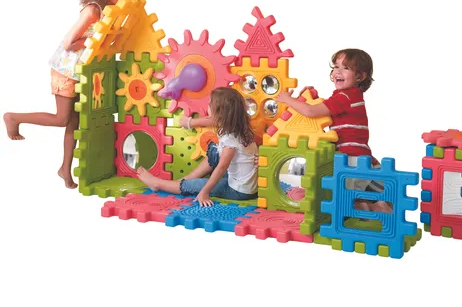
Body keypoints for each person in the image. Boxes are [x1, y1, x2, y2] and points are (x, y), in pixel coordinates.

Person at [3, 0, 141, 189]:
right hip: (66, 70)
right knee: (62, 119)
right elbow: (68, 43)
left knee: (74, 123)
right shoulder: (93, 11)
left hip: (84, 71)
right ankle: (14, 118)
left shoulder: (109, 13)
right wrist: (96, 40)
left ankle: (65, 169)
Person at [276, 48, 391, 214]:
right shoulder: (348, 96)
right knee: (345, 197)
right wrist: (302, 99)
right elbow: (318, 110)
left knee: (336, 200)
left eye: (346, 68)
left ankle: (375, 208)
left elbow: (311, 111)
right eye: (336, 66)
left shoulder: (345, 97)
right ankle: (372, 205)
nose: (338, 71)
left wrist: (288, 100)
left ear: (360, 76)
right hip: (356, 157)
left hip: (351, 159)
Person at [138, 87, 258, 207]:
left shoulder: (230, 139)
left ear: (220, 113)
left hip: (238, 191)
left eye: (210, 105)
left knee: (194, 185)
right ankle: (183, 180)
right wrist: (190, 122)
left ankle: (158, 184)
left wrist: (205, 192)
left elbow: (221, 168)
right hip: (242, 183)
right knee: (215, 152)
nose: (208, 107)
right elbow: (213, 121)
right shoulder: (237, 126)